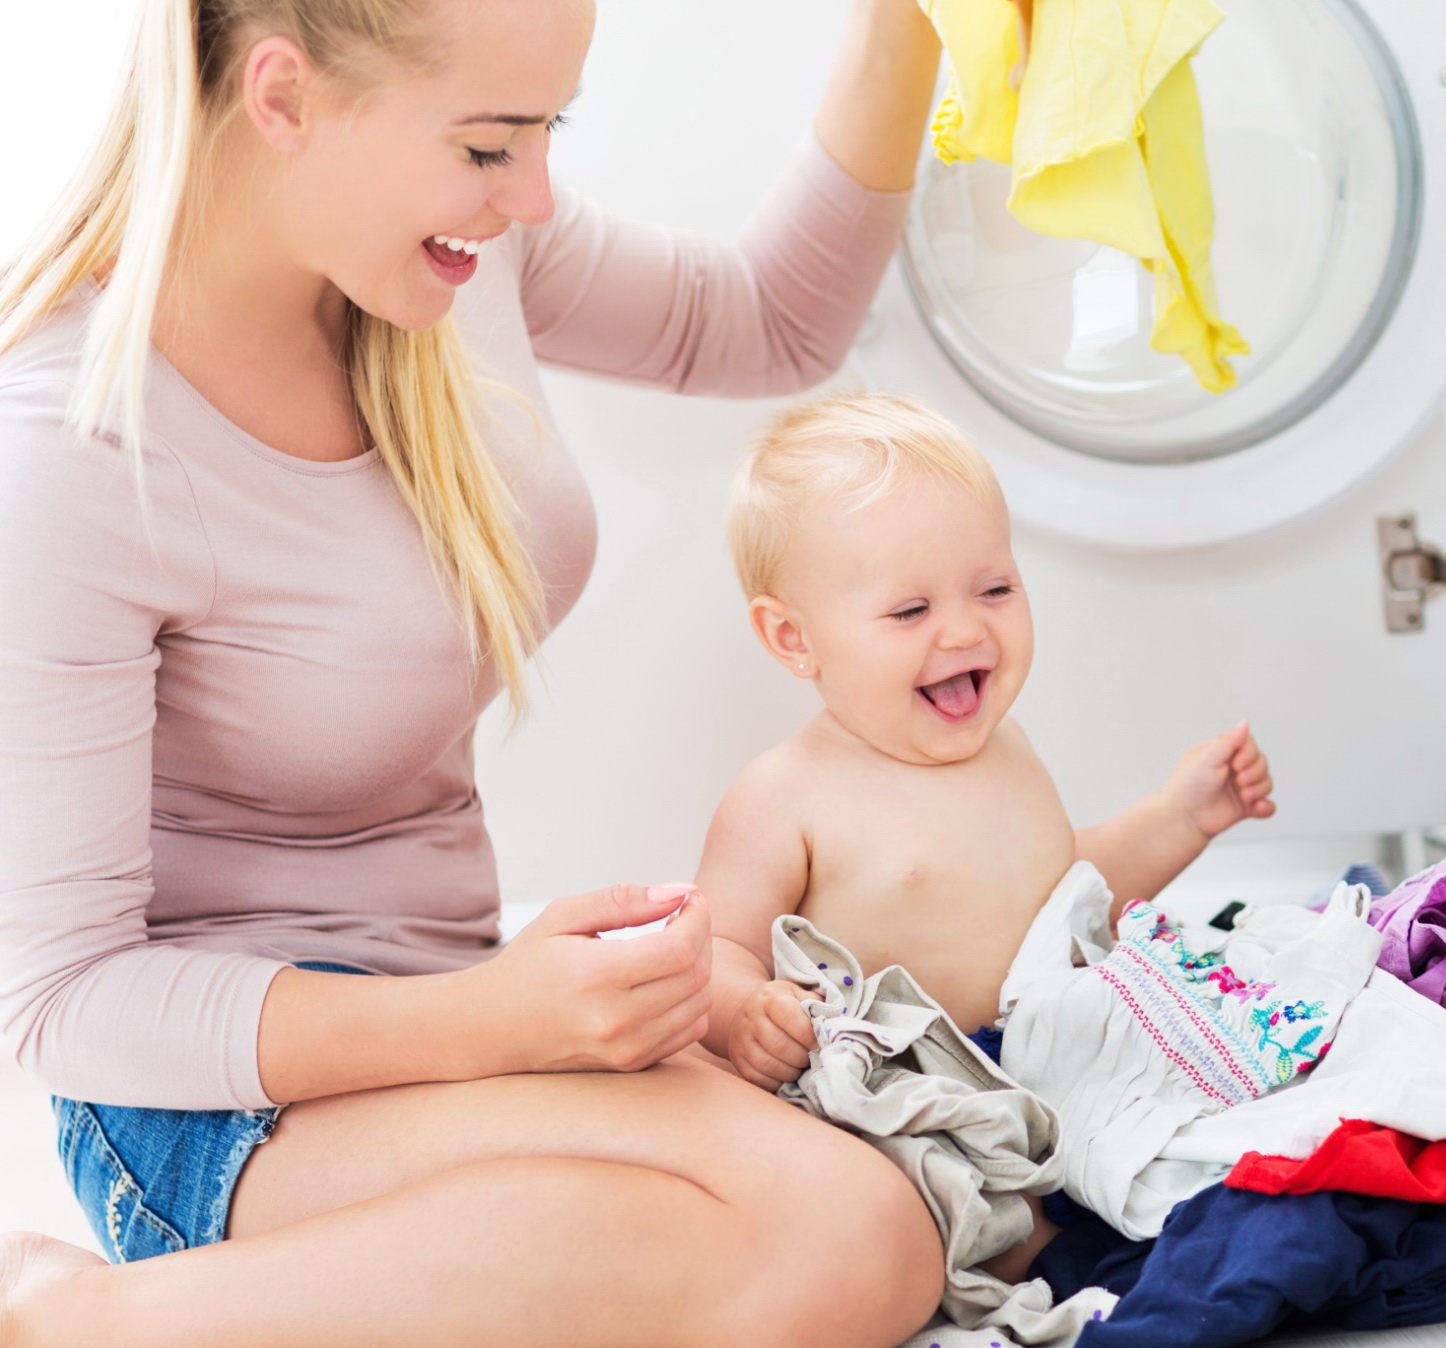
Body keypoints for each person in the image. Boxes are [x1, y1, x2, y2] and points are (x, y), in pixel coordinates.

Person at [0, 1, 950, 1343]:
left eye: (549, 132)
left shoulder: (448, 260)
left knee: (898, 1212)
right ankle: (61, 1321)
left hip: (441, 1002)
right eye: (494, 144)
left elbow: (766, 323)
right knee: (848, 1239)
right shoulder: (72, 453)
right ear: (283, 98)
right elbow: (64, 1002)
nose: (538, 196)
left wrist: (914, 23)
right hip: (208, 1108)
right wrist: (491, 1022)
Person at [697, 392, 1277, 1090]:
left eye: (995, 589)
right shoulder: (785, 794)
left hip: (1057, 1060)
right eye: (911, 609)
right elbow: (716, 950)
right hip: (907, 1085)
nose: (965, 631)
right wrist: (746, 1015)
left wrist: (1181, 818)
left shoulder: (1009, 747)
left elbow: (1065, 893)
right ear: (794, 637)